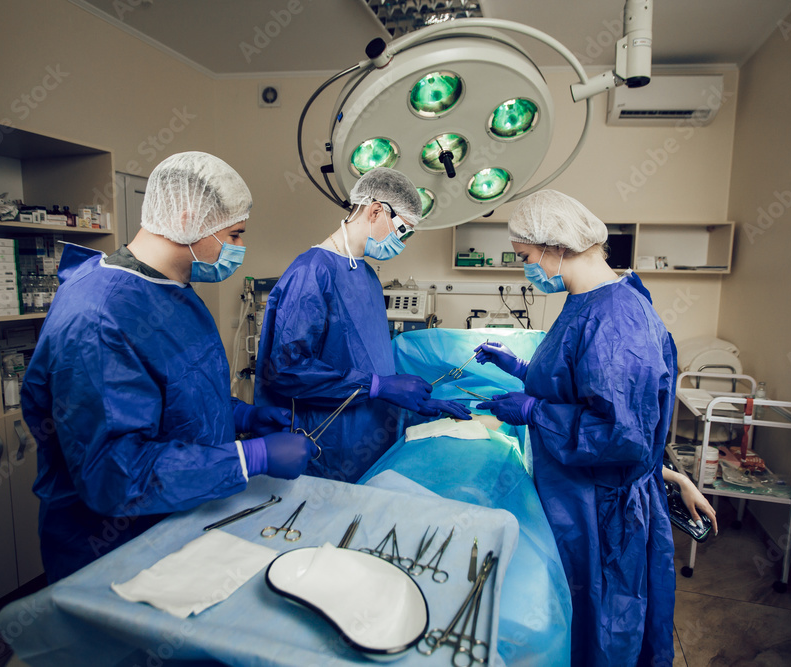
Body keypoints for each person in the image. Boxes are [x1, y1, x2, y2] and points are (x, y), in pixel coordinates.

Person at [21, 152, 316, 583]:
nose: (239, 249)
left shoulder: (172, 291)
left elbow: (176, 392)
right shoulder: (100, 316)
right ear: (187, 218)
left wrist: (244, 415)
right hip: (113, 549)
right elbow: (113, 473)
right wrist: (249, 456)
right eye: (235, 234)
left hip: (181, 519)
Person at [474, 190, 679, 666]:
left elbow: (622, 433)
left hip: (602, 512)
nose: (525, 266)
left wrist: (533, 413)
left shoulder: (616, 319)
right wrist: (522, 369)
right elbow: (579, 383)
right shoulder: (589, 300)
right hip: (580, 498)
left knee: (603, 627)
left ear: (556, 247)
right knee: (578, 618)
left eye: (525, 257)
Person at [254, 167, 469, 483]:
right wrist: (377, 386)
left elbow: (368, 360)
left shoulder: (367, 276)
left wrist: (414, 401)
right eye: (402, 230)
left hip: (368, 440)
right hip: (325, 443)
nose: (402, 241)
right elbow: (287, 371)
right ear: (377, 210)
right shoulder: (312, 272)